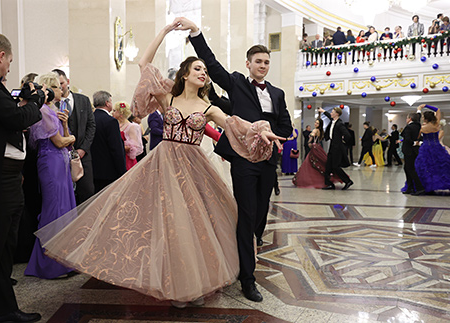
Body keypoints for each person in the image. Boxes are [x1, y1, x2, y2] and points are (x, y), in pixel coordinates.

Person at [35, 20, 283, 308]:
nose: (204, 73)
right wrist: (164, 33)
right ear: (185, 74)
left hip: (193, 166)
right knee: (159, 221)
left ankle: (192, 282)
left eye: (205, 70)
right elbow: (144, 63)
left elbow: (234, 125)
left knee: (190, 224)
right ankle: (168, 280)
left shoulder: (209, 107)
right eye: (198, 69)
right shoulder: (168, 96)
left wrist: (260, 130)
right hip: (163, 162)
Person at [183, 17, 292, 302]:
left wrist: (269, 133)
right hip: (243, 161)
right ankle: (247, 278)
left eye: (266, 62)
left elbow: (286, 128)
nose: (263, 66)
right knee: (246, 214)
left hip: (268, 161)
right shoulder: (236, 84)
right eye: (258, 61)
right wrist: (196, 33)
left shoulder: (278, 94)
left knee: (259, 215)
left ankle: (250, 245)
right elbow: (212, 63)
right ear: (248, 64)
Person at [0, 32, 42, 323]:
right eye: (9, 62)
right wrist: (37, 101)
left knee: (5, 243)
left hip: (8, 176)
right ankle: (2, 310)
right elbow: (17, 119)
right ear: (1, 56)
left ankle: (4, 308)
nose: (9, 68)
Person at [24, 73, 76, 279]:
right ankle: (49, 264)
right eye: (54, 86)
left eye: (59, 86)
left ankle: (65, 260)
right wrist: (69, 137)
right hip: (51, 163)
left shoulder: (55, 110)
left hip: (60, 163)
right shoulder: (43, 111)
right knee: (53, 210)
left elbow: (66, 139)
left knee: (65, 209)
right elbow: (61, 142)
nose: (59, 90)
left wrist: (65, 126)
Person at [53, 69, 96, 205]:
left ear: (68, 82)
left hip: (83, 155)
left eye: (62, 83)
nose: (61, 87)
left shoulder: (83, 100)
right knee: (64, 195)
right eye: (57, 85)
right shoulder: (52, 104)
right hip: (60, 155)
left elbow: (91, 126)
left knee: (87, 191)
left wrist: (83, 149)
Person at [90, 91, 127, 193]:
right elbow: (116, 149)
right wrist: (122, 171)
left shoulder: (90, 119)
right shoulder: (111, 121)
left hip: (92, 169)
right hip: (109, 171)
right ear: (107, 103)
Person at [414, 105, 450, 193]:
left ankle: (424, 186)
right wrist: (425, 106)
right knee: (441, 166)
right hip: (437, 147)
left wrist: (419, 109)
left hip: (425, 147)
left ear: (425, 119)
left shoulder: (422, 128)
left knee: (425, 166)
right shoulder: (436, 124)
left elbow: (417, 137)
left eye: (423, 117)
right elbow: (438, 110)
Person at [293, 118, 342, 188]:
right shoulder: (320, 131)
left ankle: (308, 181)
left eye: (317, 123)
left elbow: (311, 138)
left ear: (320, 125)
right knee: (320, 163)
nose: (315, 124)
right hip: (318, 147)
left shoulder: (315, 130)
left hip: (314, 148)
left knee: (309, 164)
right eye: (315, 122)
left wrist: (309, 141)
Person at [318, 107, 353, 190]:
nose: (331, 113)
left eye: (333, 112)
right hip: (332, 146)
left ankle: (348, 181)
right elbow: (328, 116)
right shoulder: (333, 121)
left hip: (337, 148)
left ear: (337, 114)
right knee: (328, 166)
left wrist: (341, 141)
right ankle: (329, 184)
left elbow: (347, 135)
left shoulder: (340, 124)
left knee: (335, 166)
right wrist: (323, 111)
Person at [113, 101, 144, 170]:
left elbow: (135, 145)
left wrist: (122, 147)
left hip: (127, 159)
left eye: (114, 111)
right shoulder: (115, 125)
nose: (112, 113)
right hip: (117, 158)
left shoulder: (132, 126)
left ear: (121, 113)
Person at [401, 111, 425, 195]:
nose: (406, 119)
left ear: (410, 119)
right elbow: (421, 137)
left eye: (407, 117)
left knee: (410, 169)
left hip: (409, 150)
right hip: (415, 150)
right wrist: (417, 142)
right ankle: (410, 187)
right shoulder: (419, 126)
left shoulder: (409, 127)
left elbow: (407, 139)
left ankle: (419, 188)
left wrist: (413, 143)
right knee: (408, 168)